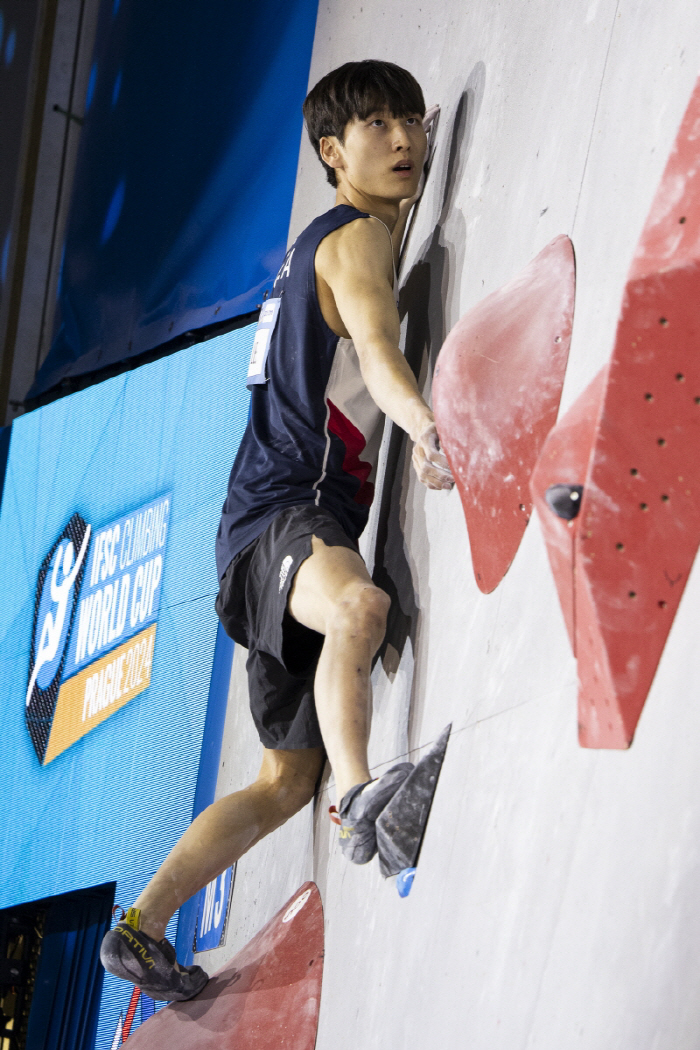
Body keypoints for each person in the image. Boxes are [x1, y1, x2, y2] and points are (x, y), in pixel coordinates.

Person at [100, 58, 454, 1002]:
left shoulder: (313, 247)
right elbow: (378, 352)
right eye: (377, 126)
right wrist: (426, 429)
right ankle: (363, 795)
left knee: (276, 781)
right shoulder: (353, 242)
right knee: (360, 607)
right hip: (285, 518)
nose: (406, 138)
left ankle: (141, 927)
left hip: (259, 537)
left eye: (411, 120)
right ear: (334, 155)